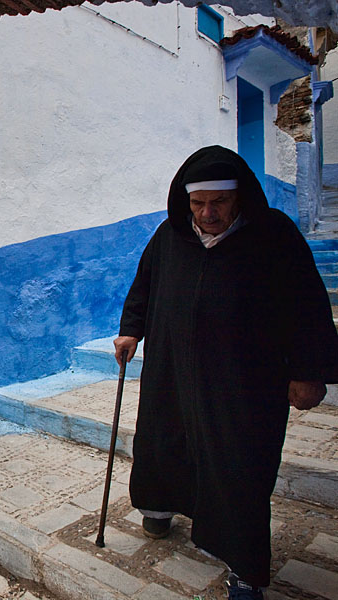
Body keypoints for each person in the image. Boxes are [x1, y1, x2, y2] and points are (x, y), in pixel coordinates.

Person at [114, 145, 338, 599]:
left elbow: (308, 305)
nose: (208, 213)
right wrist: (130, 330)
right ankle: (160, 505)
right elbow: (144, 285)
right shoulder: (170, 234)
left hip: (244, 380)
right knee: (165, 440)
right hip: (173, 370)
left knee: (241, 467)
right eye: (199, 203)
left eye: (219, 202)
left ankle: (245, 568)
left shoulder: (273, 234)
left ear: (239, 198)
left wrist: (309, 370)